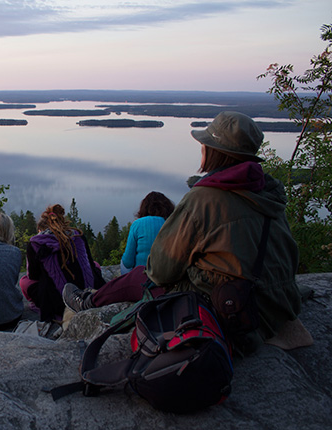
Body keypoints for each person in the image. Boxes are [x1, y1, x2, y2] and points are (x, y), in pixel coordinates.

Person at [64, 111, 303, 353]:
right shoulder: (269, 194)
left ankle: (86, 302)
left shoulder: (204, 198)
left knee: (140, 276)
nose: (202, 149)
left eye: (205, 145)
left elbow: (160, 270)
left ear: (214, 151)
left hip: (233, 308)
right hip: (276, 306)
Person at [21, 204, 105, 322]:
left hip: (58, 302)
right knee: (96, 265)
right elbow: (90, 264)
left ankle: (39, 305)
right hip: (89, 292)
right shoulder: (78, 236)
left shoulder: (36, 243)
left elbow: (33, 276)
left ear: (40, 229)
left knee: (24, 281)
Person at [120, 191, 175, 275]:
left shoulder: (138, 224)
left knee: (123, 263)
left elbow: (128, 262)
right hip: (167, 276)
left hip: (143, 276)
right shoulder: (173, 223)